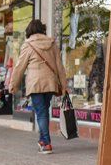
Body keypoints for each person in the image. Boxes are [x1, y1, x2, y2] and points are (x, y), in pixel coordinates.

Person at [8, 20, 67, 154]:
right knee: (43, 112)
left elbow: (19, 68)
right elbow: (59, 66)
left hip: (35, 84)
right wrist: (63, 85)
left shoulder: (28, 45)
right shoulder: (52, 44)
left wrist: (13, 85)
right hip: (50, 83)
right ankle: (42, 140)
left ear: (29, 31)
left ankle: (46, 143)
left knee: (40, 113)